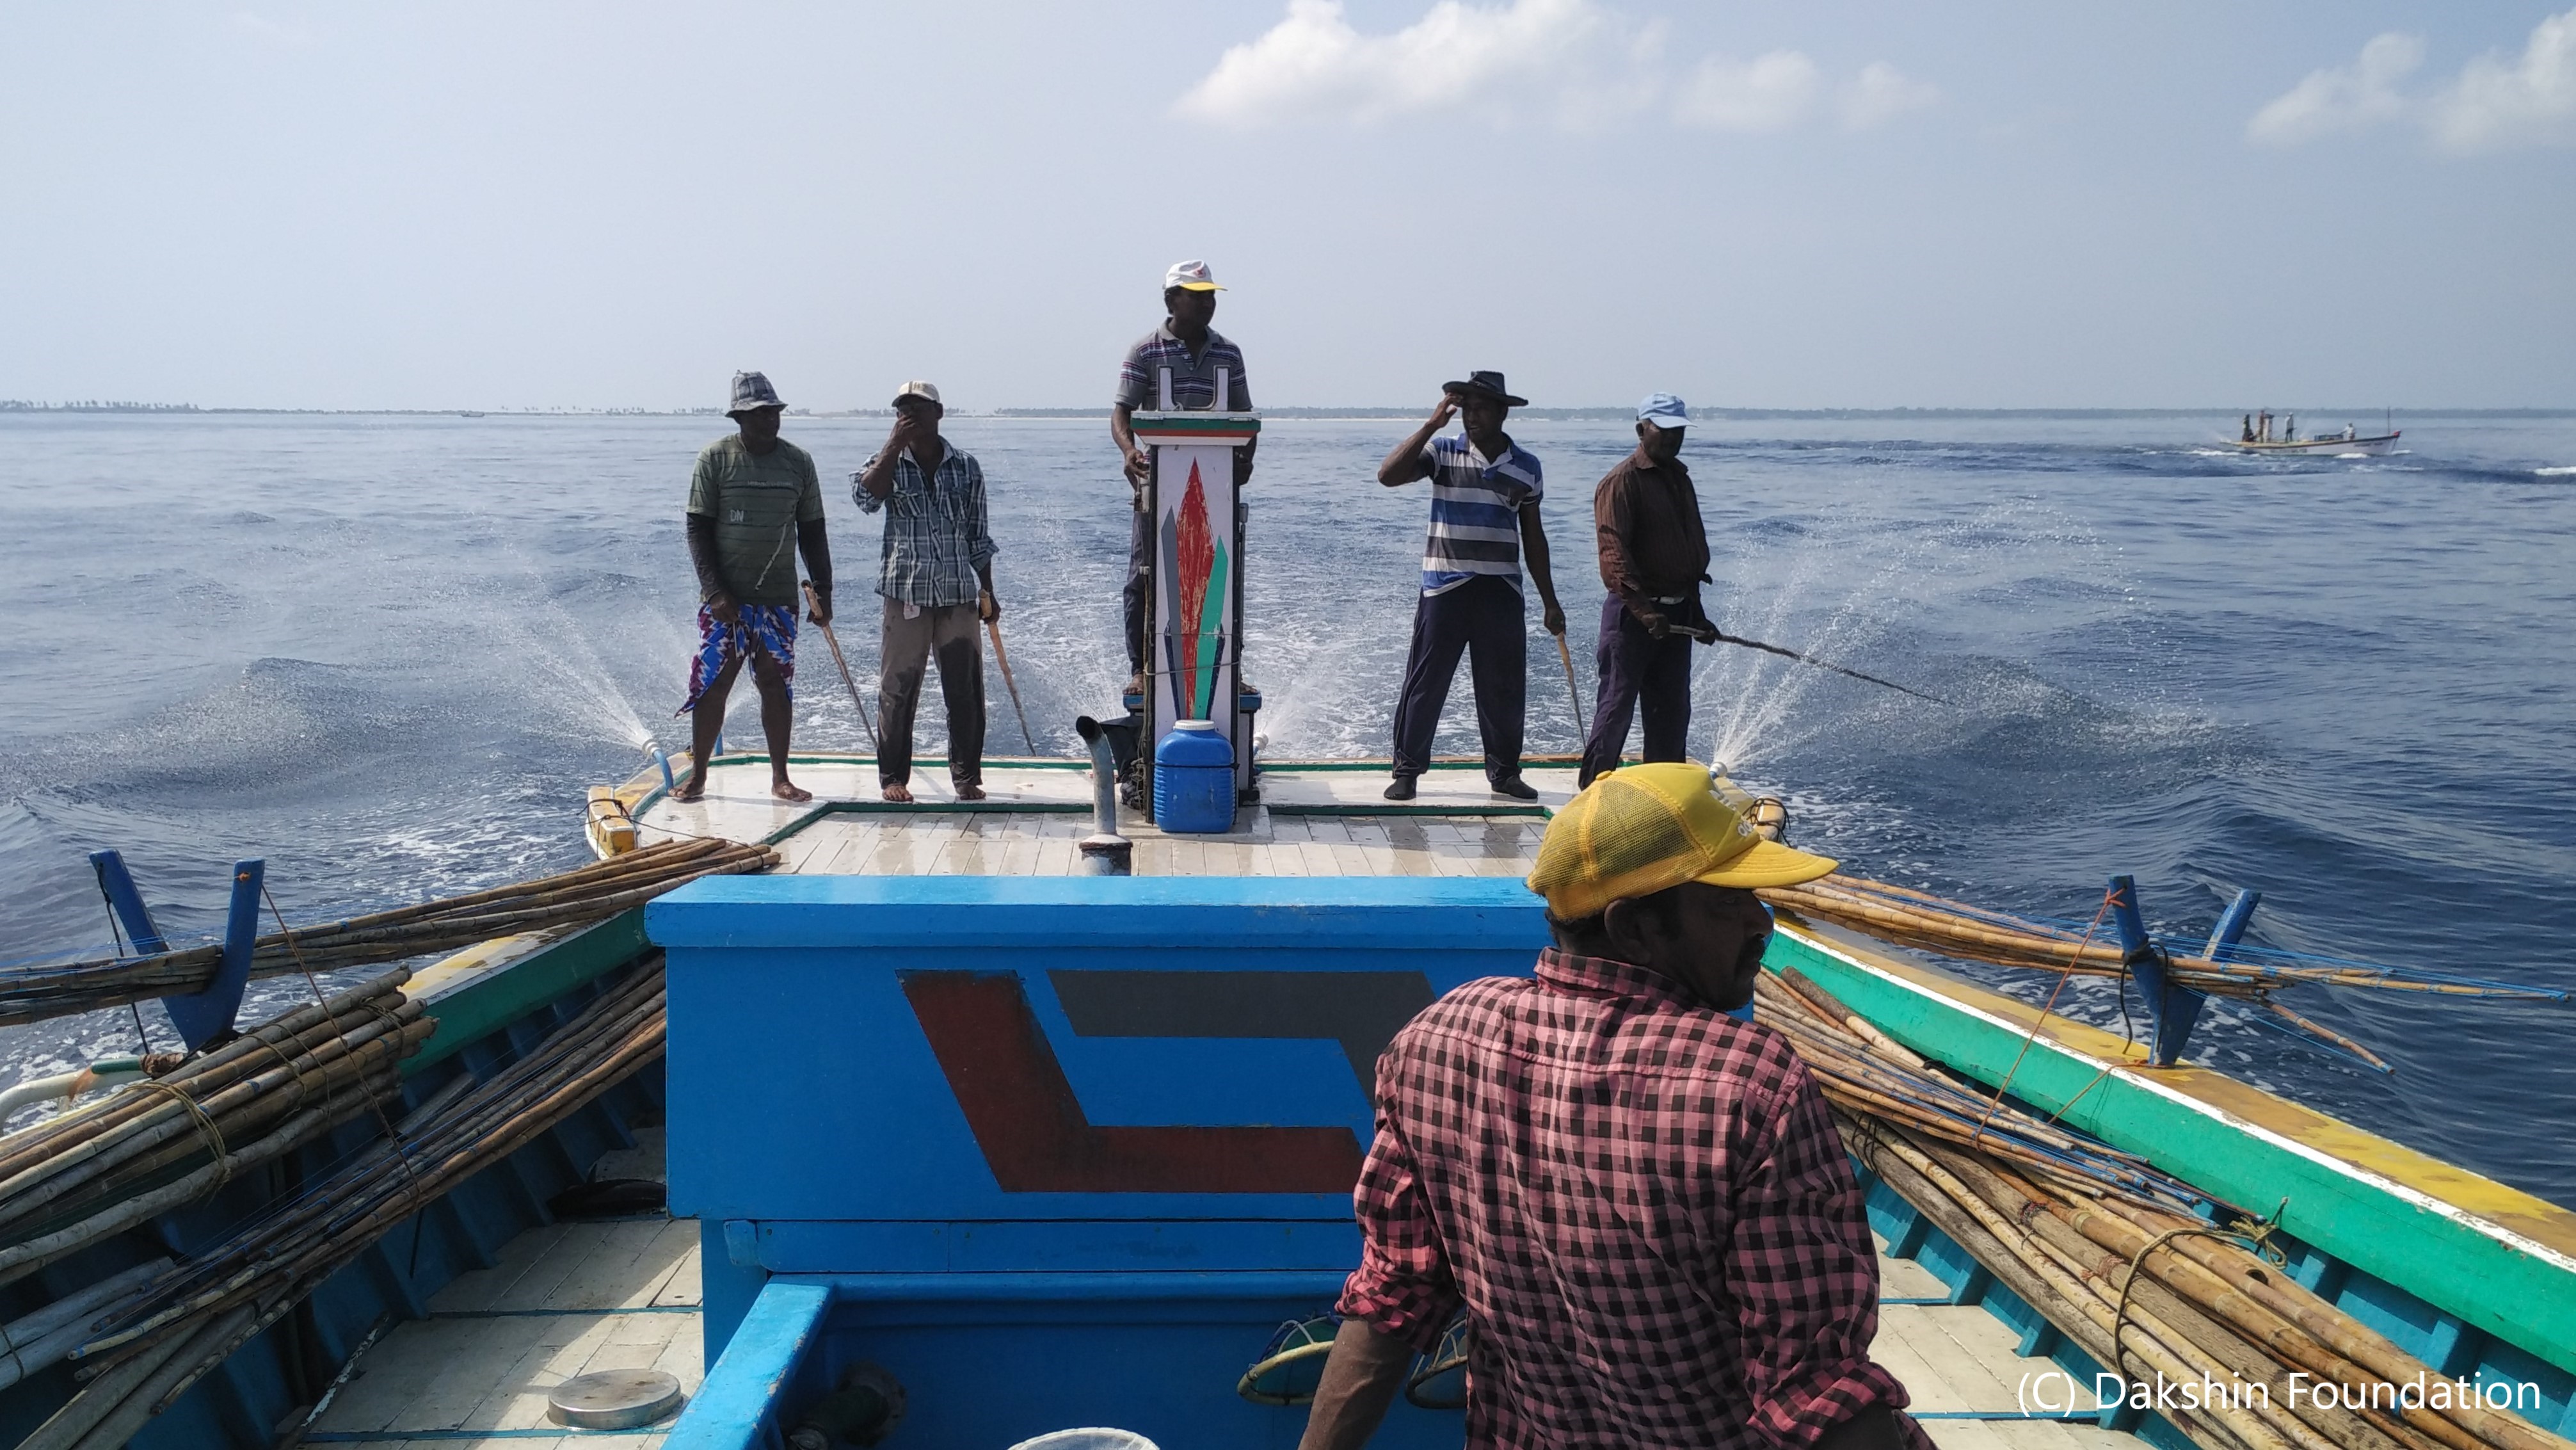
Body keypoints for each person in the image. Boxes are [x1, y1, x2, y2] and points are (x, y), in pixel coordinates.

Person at [1299, 762, 1926, 1450]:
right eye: (1725, 902)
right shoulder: (1747, 1083)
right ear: (1634, 928)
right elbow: (1817, 1394)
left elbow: (1393, 1296)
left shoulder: (1439, 1038)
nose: (1760, 922)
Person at [1373, 371, 1566, 802]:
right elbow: (1388, 475)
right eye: (1466, 408)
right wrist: (1430, 424)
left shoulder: (1526, 466)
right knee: (1426, 681)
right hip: (1445, 586)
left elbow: (1533, 537)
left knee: (1503, 685)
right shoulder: (1442, 451)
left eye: (1481, 408)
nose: (1471, 417)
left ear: (1501, 412)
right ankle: (1406, 771)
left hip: (1500, 588)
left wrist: (1549, 601)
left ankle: (1504, 773)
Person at [677, 370, 829, 804]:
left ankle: (780, 777)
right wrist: (714, 591)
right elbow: (697, 529)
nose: (770, 421)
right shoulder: (715, 459)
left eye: (775, 412)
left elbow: (813, 531)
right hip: (725, 599)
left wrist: (824, 592)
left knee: (775, 683)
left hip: (779, 599)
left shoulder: (798, 462)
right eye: (761, 414)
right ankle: (700, 774)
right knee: (714, 684)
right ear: (740, 418)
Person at [1110, 260, 1255, 695]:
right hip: (1157, 487)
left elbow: (1246, 417)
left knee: (1223, 575)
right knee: (1143, 575)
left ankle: (1229, 667)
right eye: (1198, 295)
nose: (1209, 303)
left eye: (1211, 295)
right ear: (1173, 299)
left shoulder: (1228, 352)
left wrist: (1245, 463)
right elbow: (1121, 413)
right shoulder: (1145, 351)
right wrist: (1129, 450)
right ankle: (1141, 667)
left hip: (1217, 489)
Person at [852, 381, 999, 803]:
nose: (910, 416)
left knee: (965, 690)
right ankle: (892, 778)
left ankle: (967, 777)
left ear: (939, 412)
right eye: (903, 410)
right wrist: (893, 445)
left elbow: (978, 534)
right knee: (897, 689)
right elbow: (865, 498)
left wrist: (987, 591)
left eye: (919, 409)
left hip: (957, 593)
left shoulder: (966, 467)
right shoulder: (887, 462)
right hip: (905, 593)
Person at [1578, 392, 1711, 788]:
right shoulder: (1621, 482)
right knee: (1616, 708)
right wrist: (1645, 611)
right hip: (1632, 618)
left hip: (1676, 616)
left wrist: (1697, 615)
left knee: (1671, 712)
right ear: (1641, 430)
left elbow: (1688, 555)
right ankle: (1591, 794)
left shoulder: (1680, 480)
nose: (1672, 438)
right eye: (1664, 430)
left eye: (1679, 431)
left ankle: (1663, 800)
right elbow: (1613, 556)